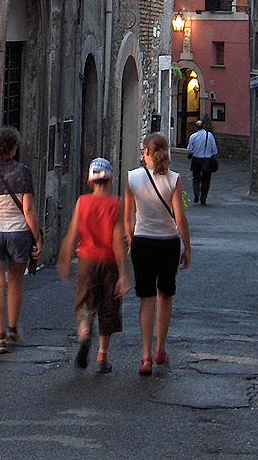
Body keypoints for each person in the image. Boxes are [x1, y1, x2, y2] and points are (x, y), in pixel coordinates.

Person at [124, 132, 191, 375]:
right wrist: (187, 247)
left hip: (143, 241)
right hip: (168, 243)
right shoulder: (174, 180)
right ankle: (160, 348)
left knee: (146, 299)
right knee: (165, 295)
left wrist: (131, 240)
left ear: (148, 153)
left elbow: (128, 216)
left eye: (144, 151)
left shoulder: (133, 178)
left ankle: (145, 356)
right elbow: (180, 217)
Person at [0, 126, 42, 354]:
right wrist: (38, 238)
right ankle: (12, 330)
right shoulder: (23, 171)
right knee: (15, 282)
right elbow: (28, 209)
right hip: (18, 233)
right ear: (13, 149)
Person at [57, 157, 130, 374]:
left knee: (85, 303)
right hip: (109, 261)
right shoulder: (116, 203)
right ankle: (102, 357)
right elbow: (118, 239)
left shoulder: (82, 202)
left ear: (90, 181)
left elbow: (72, 234)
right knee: (108, 307)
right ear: (109, 180)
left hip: (86, 261)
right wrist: (124, 273)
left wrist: (64, 260)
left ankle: (84, 332)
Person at [187, 119, 219, 205]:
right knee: (206, 180)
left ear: (195, 127)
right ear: (204, 126)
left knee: (196, 178)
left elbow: (190, 149)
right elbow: (215, 149)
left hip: (196, 160)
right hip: (207, 160)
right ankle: (203, 197)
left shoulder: (193, 136)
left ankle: (196, 193)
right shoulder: (210, 136)